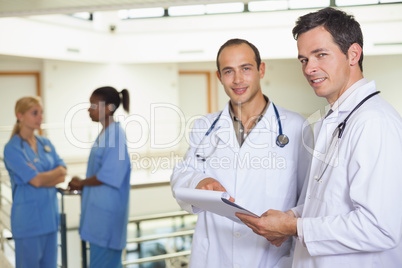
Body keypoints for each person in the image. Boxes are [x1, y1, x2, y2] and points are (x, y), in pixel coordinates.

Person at [237, 7, 402, 268]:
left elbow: (380, 228)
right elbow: (331, 203)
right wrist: (290, 217)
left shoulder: (374, 123)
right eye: (303, 60)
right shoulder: (334, 119)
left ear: (353, 54)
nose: (309, 68)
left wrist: (294, 227)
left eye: (320, 55)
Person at [170, 38, 312, 267]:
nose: (237, 80)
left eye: (246, 68)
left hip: (271, 258)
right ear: (219, 77)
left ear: (261, 70)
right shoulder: (204, 127)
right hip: (215, 256)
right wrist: (199, 180)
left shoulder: (296, 127)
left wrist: (289, 222)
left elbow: (309, 197)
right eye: (228, 71)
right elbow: (182, 175)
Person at [68, 86, 131, 268]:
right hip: (99, 216)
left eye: (93, 105)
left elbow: (110, 174)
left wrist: (81, 183)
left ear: (109, 108)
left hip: (107, 219)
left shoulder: (117, 135)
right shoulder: (105, 134)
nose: (89, 109)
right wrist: (83, 181)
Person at [3, 96, 66, 268]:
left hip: (50, 220)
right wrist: (49, 176)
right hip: (28, 223)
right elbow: (36, 181)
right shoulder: (12, 149)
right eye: (35, 113)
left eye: (41, 113)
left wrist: (41, 176)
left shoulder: (45, 143)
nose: (40, 117)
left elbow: (63, 173)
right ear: (20, 116)